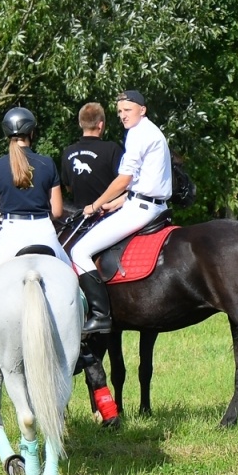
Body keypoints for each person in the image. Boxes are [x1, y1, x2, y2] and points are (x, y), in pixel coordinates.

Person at [0, 109, 69, 375]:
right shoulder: (47, 163)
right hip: (45, 234)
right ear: (32, 133)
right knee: (76, 280)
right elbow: (57, 212)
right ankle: (84, 344)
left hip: (11, 236)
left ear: (5, 134)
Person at [68, 91, 171, 335]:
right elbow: (146, 180)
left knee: (78, 251)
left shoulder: (138, 134)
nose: (122, 115)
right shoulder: (150, 131)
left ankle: (101, 316)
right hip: (149, 204)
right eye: (120, 111)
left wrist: (95, 205)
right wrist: (116, 203)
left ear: (142, 109)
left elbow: (124, 179)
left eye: (128, 109)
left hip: (142, 209)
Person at [60, 102, 124, 211]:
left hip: (80, 217)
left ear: (81, 124)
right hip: (108, 214)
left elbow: (69, 188)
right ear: (101, 124)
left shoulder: (68, 152)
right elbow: (123, 184)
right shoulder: (112, 149)